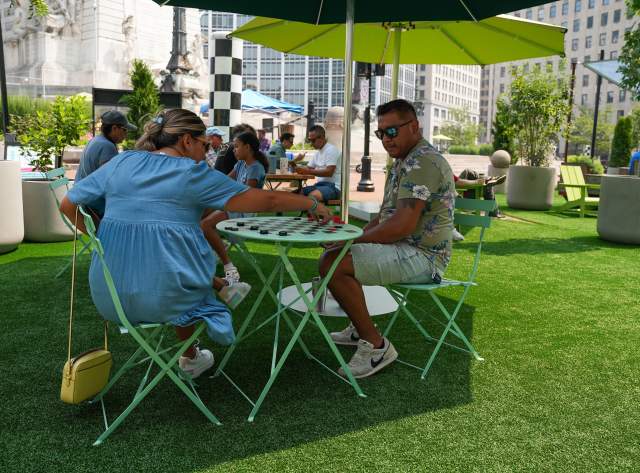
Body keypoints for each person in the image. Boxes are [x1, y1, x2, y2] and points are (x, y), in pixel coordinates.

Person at [59, 109, 331, 379]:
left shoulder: (122, 162)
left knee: (173, 262)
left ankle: (204, 322)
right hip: (165, 297)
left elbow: (67, 204)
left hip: (109, 296)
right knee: (182, 275)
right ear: (187, 141)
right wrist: (312, 202)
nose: (208, 150)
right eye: (204, 144)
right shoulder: (192, 173)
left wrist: (99, 241)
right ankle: (191, 355)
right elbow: (267, 200)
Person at [320, 99, 456, 379]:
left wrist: (351, 241)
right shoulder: (404, 161)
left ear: (414, 127)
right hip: (404, 247)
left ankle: (378, 346)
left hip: (425, 257)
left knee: (333, 264)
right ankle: (360, 329)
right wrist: (348, 237)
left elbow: (401, 225)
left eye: (392, 131)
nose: (385, 139)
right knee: (334, 257)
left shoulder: (424, 162)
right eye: (380, 133)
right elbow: (384, 218)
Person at [200, 131, 269, 285]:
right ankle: (211, 249)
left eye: (237, 146)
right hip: (234, 206)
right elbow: (224, 181)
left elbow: (245, 195)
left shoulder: (256, 168)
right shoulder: (240, 164)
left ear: (248, 147)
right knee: (200, 213)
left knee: (204, 224)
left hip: (244, 212)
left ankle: (228, 265)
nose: (234, 150)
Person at [76, 110, 136, 182]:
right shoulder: (107, 146)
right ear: (114, 128)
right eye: (125, 130)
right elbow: (110, 180)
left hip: (80, 190)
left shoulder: (97, 139)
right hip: (88, 192)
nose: (126, 134)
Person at [293, 125, 341, 202]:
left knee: (312, 196)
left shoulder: (331, 150)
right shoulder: (318, 153)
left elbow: (329, 172)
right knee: (296, 194)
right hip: (320, 185)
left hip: (334, 187)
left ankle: (319, 213)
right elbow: (308, 168)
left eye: (313, 140)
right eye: (309, 140)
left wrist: (306, 171)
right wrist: (296, 165)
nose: (311, 143)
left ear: (322, 138)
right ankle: (311, 213)